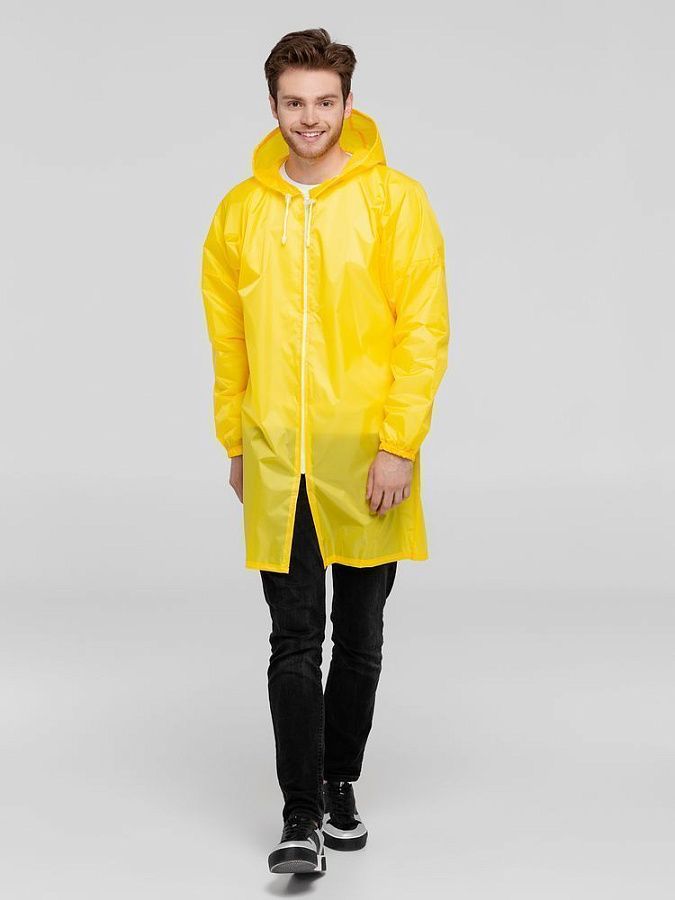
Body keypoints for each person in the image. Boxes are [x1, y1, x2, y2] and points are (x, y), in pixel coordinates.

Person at [200, 28, 451, 875]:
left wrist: (399, 444)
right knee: (293, 637)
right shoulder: (240, 212)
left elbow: (422, 330)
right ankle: (300, 812)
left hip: (368, 453)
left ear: (347, 102)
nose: (309, 118)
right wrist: (236, 441)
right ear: (272, 105)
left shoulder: (394, 202)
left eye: (323, 101)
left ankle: (340, 780)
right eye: (293, 102)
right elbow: (228, 341)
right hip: (279, 457)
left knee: (362, 634)